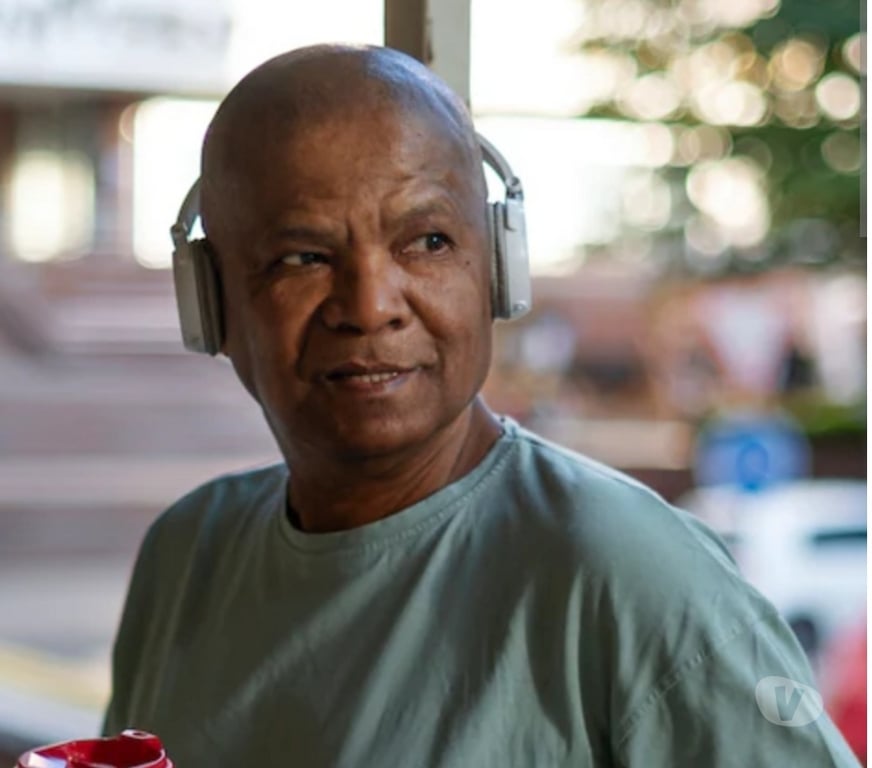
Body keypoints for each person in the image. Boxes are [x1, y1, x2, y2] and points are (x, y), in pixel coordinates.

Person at [102, 44, 860, 767]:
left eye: (427, 241)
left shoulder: (629, 575)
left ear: (498, 268)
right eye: (302, 257)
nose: (369, 306)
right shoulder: (188, 556)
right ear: (209, 302)